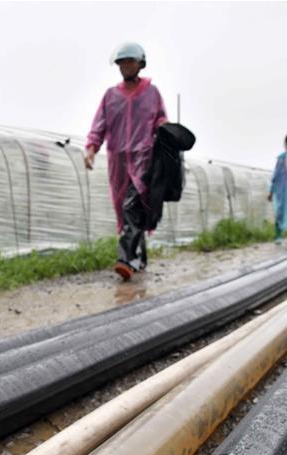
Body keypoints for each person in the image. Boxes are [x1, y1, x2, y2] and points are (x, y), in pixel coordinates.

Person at [85, 42, 168, 281]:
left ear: (140, 64)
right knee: (127, 209)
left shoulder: (152, 93)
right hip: (118, 161)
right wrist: (91, 148)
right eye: (122, 63)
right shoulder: (111, 96)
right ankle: (139, 258)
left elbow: (160, 119)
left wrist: (165, 130)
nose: (126, 66)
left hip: (144, 158)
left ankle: (125, 258)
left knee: (133, 205)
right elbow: (99, 125)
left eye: (130, 62)